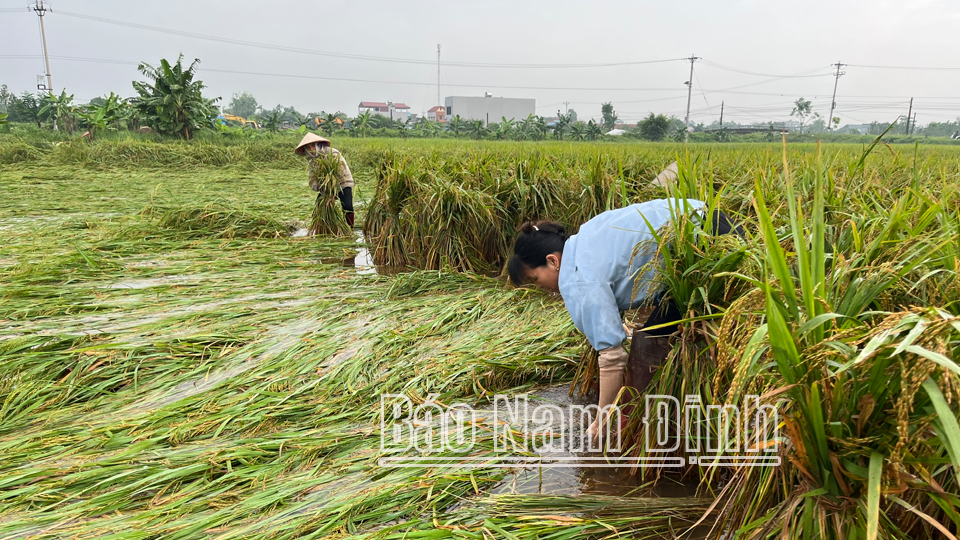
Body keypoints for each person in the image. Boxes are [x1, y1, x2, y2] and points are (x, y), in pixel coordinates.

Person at [507, 199, 743, 437]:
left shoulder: (580, 276)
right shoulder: (586, 237)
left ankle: (638, 426)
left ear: (552, 261)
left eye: (536, 279)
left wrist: (599, 425)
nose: (543, 288)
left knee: (651, 347)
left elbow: (612, 357)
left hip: (707, 246)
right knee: (655, 335)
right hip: (713, 219)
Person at [295, 133, 355, 227]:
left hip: (343, 183)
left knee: (347, 207)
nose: (311, 149)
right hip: (325, 187)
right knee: (318, 208)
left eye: (313, 146)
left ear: (318, 145)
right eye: (309, 147)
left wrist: (331, 183)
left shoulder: (332, 153)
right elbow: (312, 178)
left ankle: (350, 228)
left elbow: (340, 172)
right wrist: (318, 186)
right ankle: (321, 228)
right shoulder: (312, 160)